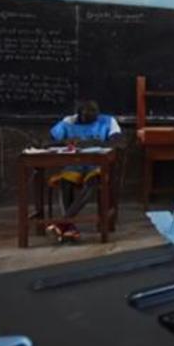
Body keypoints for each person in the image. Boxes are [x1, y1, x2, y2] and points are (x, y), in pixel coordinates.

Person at [45, 99, 123, 242]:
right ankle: (68, 228)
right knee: (65, 182)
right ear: (79, 113)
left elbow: (117, 142)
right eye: (89, 113)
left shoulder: (107, 121)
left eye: (95, 112)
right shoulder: (69, 122)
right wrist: (65, 142)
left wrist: (92, 142)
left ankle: (63, 222)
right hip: (75, 165)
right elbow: (48, 141)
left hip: (98, 165)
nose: (94, 115)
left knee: (93, 182)